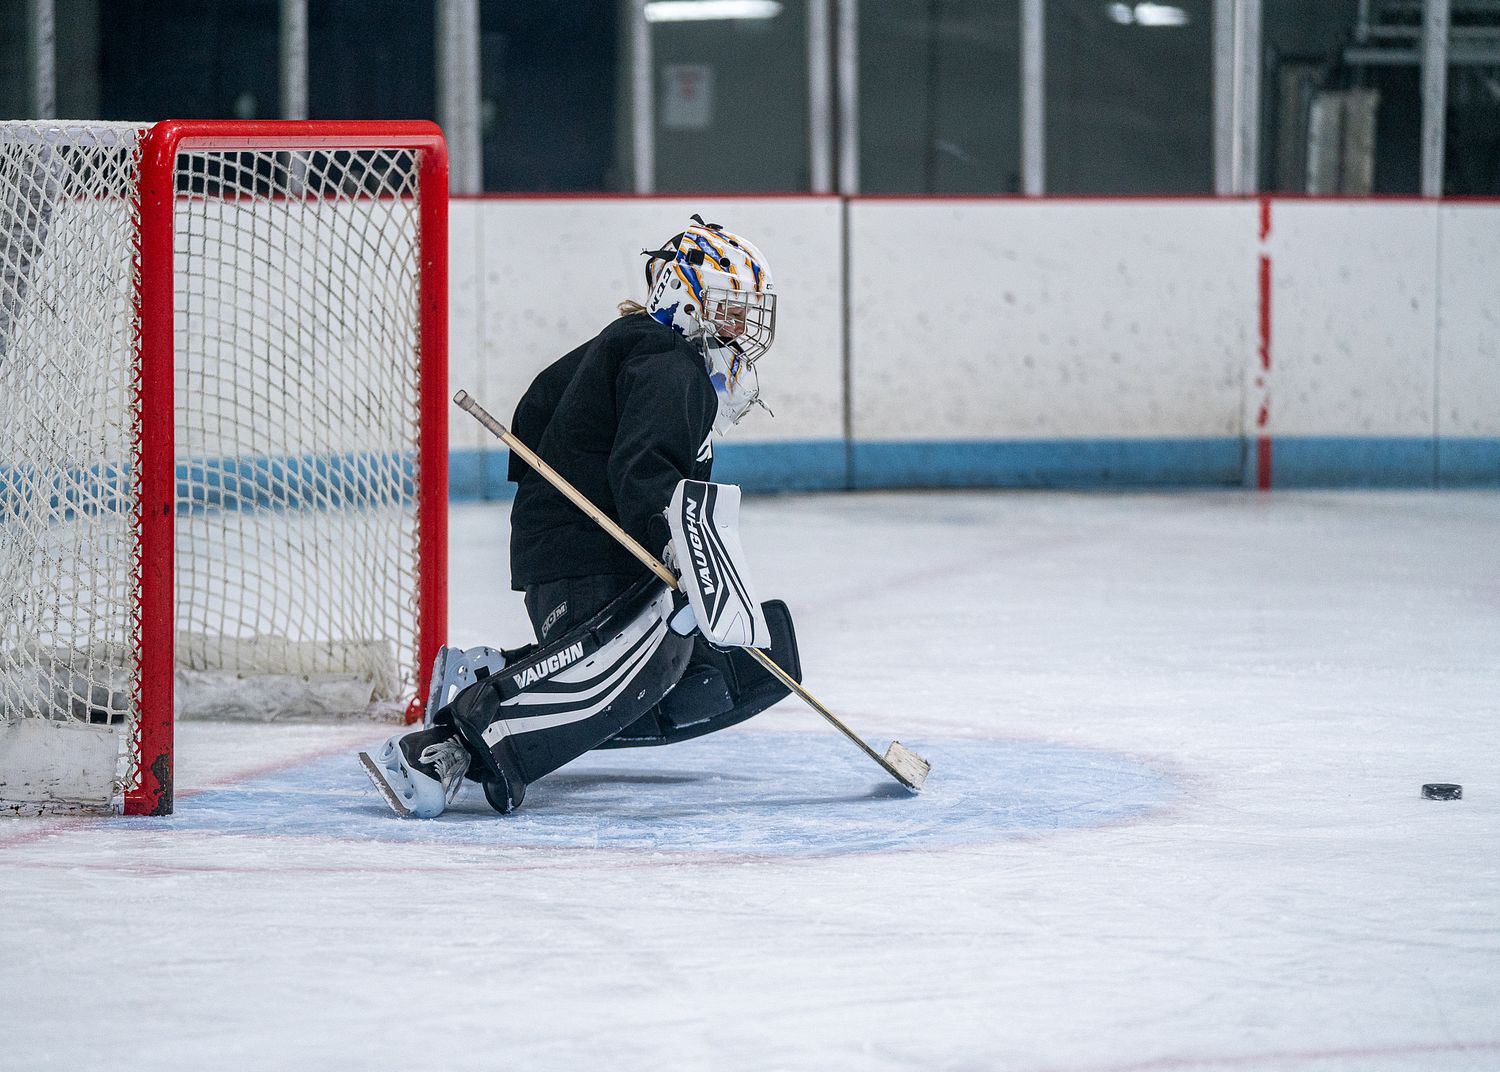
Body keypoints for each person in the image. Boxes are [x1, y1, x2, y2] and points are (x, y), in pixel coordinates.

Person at [359, 216, 800, 818]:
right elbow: (645, 470)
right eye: (730, 309)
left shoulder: (633, 346)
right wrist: (676, 545)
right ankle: (448, 747)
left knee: (699, 672)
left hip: (567, 552)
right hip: (584, 562)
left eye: (747, 312)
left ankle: (488, 673)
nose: (741, 327)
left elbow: (537, 410)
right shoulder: (671, 364)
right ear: (684, 295)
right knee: (641, 661)